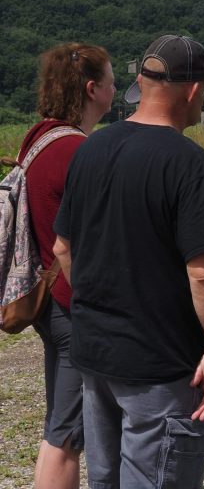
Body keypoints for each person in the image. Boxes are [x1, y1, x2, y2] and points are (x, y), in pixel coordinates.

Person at [53, 35, 204, 487]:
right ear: (194, 90)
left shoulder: (90, 147)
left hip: (96, 356)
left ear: (141, 83)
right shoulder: (186, 160)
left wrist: (105, 308)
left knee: (107, 479)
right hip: (161, 366)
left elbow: (62, 248)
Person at [20, 42, 113, 489]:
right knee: (68, 434)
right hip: (71, 302)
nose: (117, 89)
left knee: (59, 422)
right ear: (94, 89)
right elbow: (71, 245)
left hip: (45, 301)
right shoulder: (78, 151)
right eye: (113, 81)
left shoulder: (39, 138)